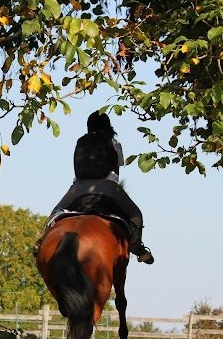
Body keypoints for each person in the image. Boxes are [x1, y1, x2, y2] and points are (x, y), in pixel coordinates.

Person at [48, 111, 154, 264]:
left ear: (88, 126)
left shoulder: (80, 142)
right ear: (108, 126)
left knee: (54, 214)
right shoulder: (114, 143)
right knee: (136, 215)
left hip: (78, 188)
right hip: (109, 188)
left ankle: (41, 243)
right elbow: (116, 173)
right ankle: (137, 248)